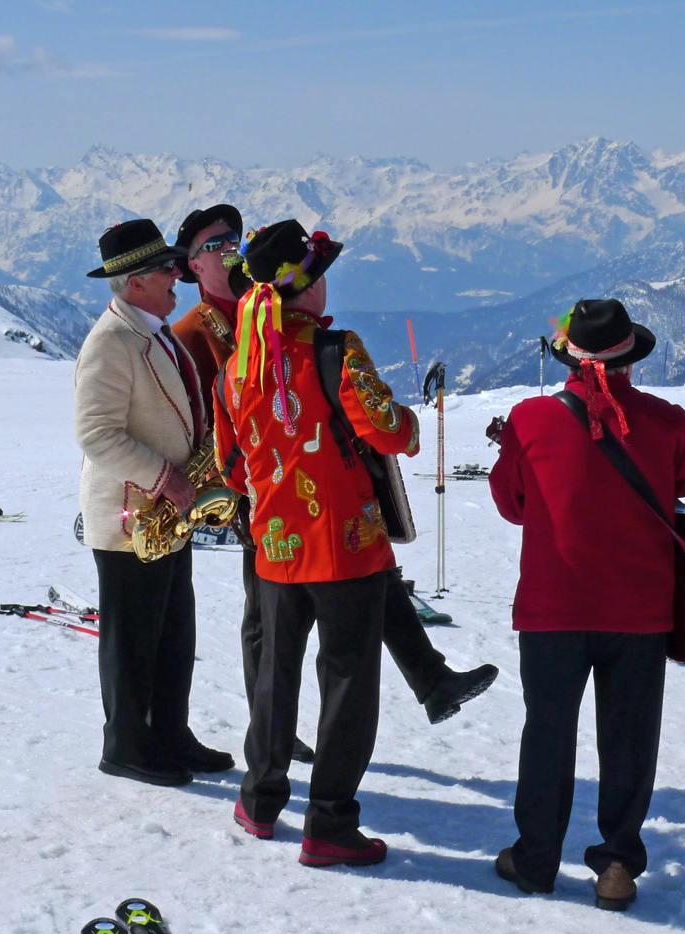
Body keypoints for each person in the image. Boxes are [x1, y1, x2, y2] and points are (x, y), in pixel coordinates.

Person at [171, 206, 496, 746]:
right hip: (263, 497)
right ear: (193, 266)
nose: (227, 247)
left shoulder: (258, 314)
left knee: (371, 578)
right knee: (275, 630)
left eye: (232, 237)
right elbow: (199, 419)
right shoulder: (196, 332)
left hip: (312, 489)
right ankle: (272, 738)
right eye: (213, 244)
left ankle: (429, 679)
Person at [488, 299, 685, 910]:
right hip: (639, 610)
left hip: (552, 606)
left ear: (570, 358)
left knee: (546, 734)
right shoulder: (670, 422)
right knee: (628, 740)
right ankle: (617, 865)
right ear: (630, 356)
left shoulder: (529, 419)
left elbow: (511, 503)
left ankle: (535, 860)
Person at [214, 219, 420, 867]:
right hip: (344, 546)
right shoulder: (336, 351)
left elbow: (231, 468)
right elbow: (386, 431)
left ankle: (260, 798)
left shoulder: (234, 370)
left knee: (275, 674)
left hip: (273, 546)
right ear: (307, 287)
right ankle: (329, 822)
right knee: (348, 682)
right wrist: (411, 425)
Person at [74, 218, 232, 788]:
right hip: (131, 516)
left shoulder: (153, 330)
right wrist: (167, 477)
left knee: (172, 632)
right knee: (133, 636)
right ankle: (126, 744)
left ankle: (170, 733)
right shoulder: (111, 342)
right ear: (136, 281)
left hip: (167, 512)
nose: (177, 276)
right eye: (167, 269)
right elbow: (96, 433)